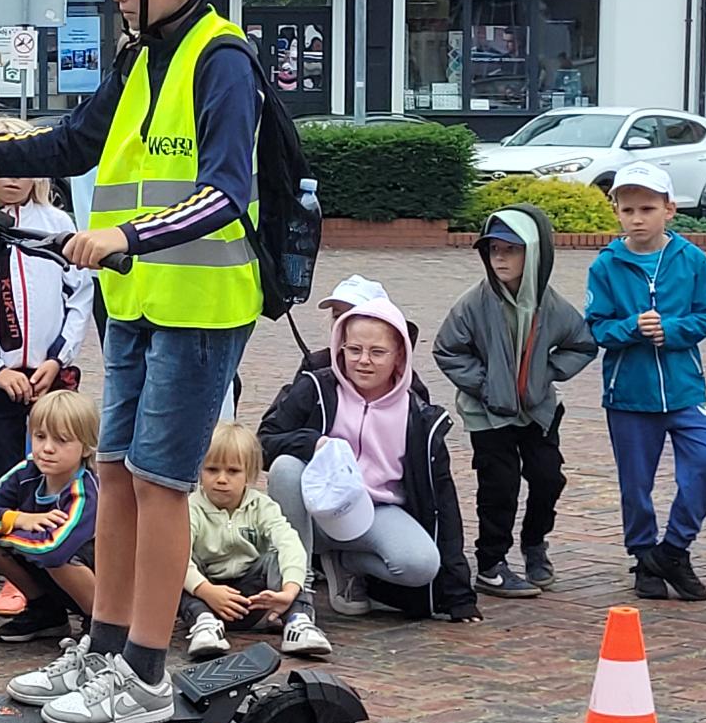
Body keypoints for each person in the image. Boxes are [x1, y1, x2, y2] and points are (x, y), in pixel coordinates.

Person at [0, 0, 265, 723]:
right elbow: (75, 141)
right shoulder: (141, 58)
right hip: (138, 302)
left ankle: (144, 674)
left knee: (160, 485)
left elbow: (227, 191)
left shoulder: (222, 59)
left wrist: (125, 237)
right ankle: (106, 648)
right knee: (114, 474)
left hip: (199, 306)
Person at [259, 294, 479, 624]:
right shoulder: (316, 388)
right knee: (286, 468)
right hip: (315, 513)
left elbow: (444, 503)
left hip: (376, 513)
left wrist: (459, 595)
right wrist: (313, 443)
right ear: (340, 348)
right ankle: (296, 591)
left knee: (420, 565)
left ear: (399, 355)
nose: (363, 361)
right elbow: (263, 442)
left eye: (377, 352)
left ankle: (345, 563)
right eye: (354, 350)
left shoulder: (419, 415)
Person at [0, 122, 94, 616]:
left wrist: (59, 358)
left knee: (56, 467)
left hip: (48, 376)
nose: (13, 178)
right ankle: (16, 578)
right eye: (2, 167)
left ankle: (61, 561)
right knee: (0, 473)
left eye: (23, 166)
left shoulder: (57, 223)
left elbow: (80, 296)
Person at [432, 205, 596, 598]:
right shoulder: (473, 303)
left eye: (511, 250)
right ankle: (491, 564)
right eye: (493, 250)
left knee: (548, 477)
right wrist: (488, 386)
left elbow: (582, 344)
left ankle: (535, 544)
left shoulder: (550, 305)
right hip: (488, 414)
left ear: (534, 253)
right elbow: (447, 349)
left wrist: (545, 373)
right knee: (499, 486)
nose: (500, 259)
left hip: (537, 412)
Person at [584, 164, 706, 603]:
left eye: (647, 209)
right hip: (629, 393)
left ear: (670, 209)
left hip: (684, 388)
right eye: (628, 210)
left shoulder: (691, 259)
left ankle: (673, 550)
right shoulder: (606, 265)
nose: (637, 218)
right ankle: (644, 556)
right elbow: (597, 326)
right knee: (635, 483)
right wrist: (632, 327)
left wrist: (674, 330)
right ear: (616, 212)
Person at [0, 390, 99, 654]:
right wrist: (19, 518)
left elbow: (54, 549)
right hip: (47, 563)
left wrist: (5, 534)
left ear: (86, 446)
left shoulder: (85, 490)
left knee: (63, 559)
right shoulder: (27, 471)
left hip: (101, 583)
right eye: (40, 436)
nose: (47, 448)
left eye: (62, 440)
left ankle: (100, 624)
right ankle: (45, 612)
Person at [182, 420, 329, 661]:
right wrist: (206, 590)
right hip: (208, 597)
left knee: (279, 556)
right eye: (212, 470)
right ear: (199, 470)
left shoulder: (262, 506)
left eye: (232, 471)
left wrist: (289, 590)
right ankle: (204, 625)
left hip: (257, 600)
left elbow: (289, 542)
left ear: (249, 475)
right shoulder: (190, 508)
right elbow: (177, 560)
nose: (221, 479)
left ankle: (298, 621)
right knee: (175, 561)